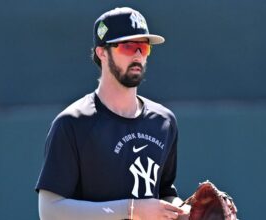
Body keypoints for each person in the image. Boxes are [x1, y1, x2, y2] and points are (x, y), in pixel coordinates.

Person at [35, 7, 190, 220]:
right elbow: (50, 210)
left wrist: (187, 212)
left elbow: (163, 193)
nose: (137, 54)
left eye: (143, 48)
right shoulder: (73, 123)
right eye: (128, 46)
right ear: (102, 52)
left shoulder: (163, 121)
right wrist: (130, 209)